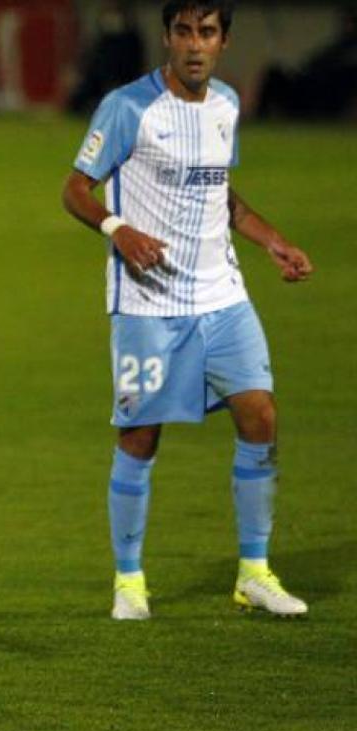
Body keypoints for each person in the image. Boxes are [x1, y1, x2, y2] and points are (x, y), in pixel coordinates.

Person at [61, 0, 314, 620]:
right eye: (183, 31)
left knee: (260, 415)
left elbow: (221, 192)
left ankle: (254, 572)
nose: (194, 44)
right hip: (147, 304)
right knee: (140, 435)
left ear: (223, 41)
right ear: (167, 37)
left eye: (206, 32)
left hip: (222, 297)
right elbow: (75, 189)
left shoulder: (226, 104)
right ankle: (129, 582)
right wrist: (118, 229)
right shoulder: (128, 107)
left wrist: (273, 240)